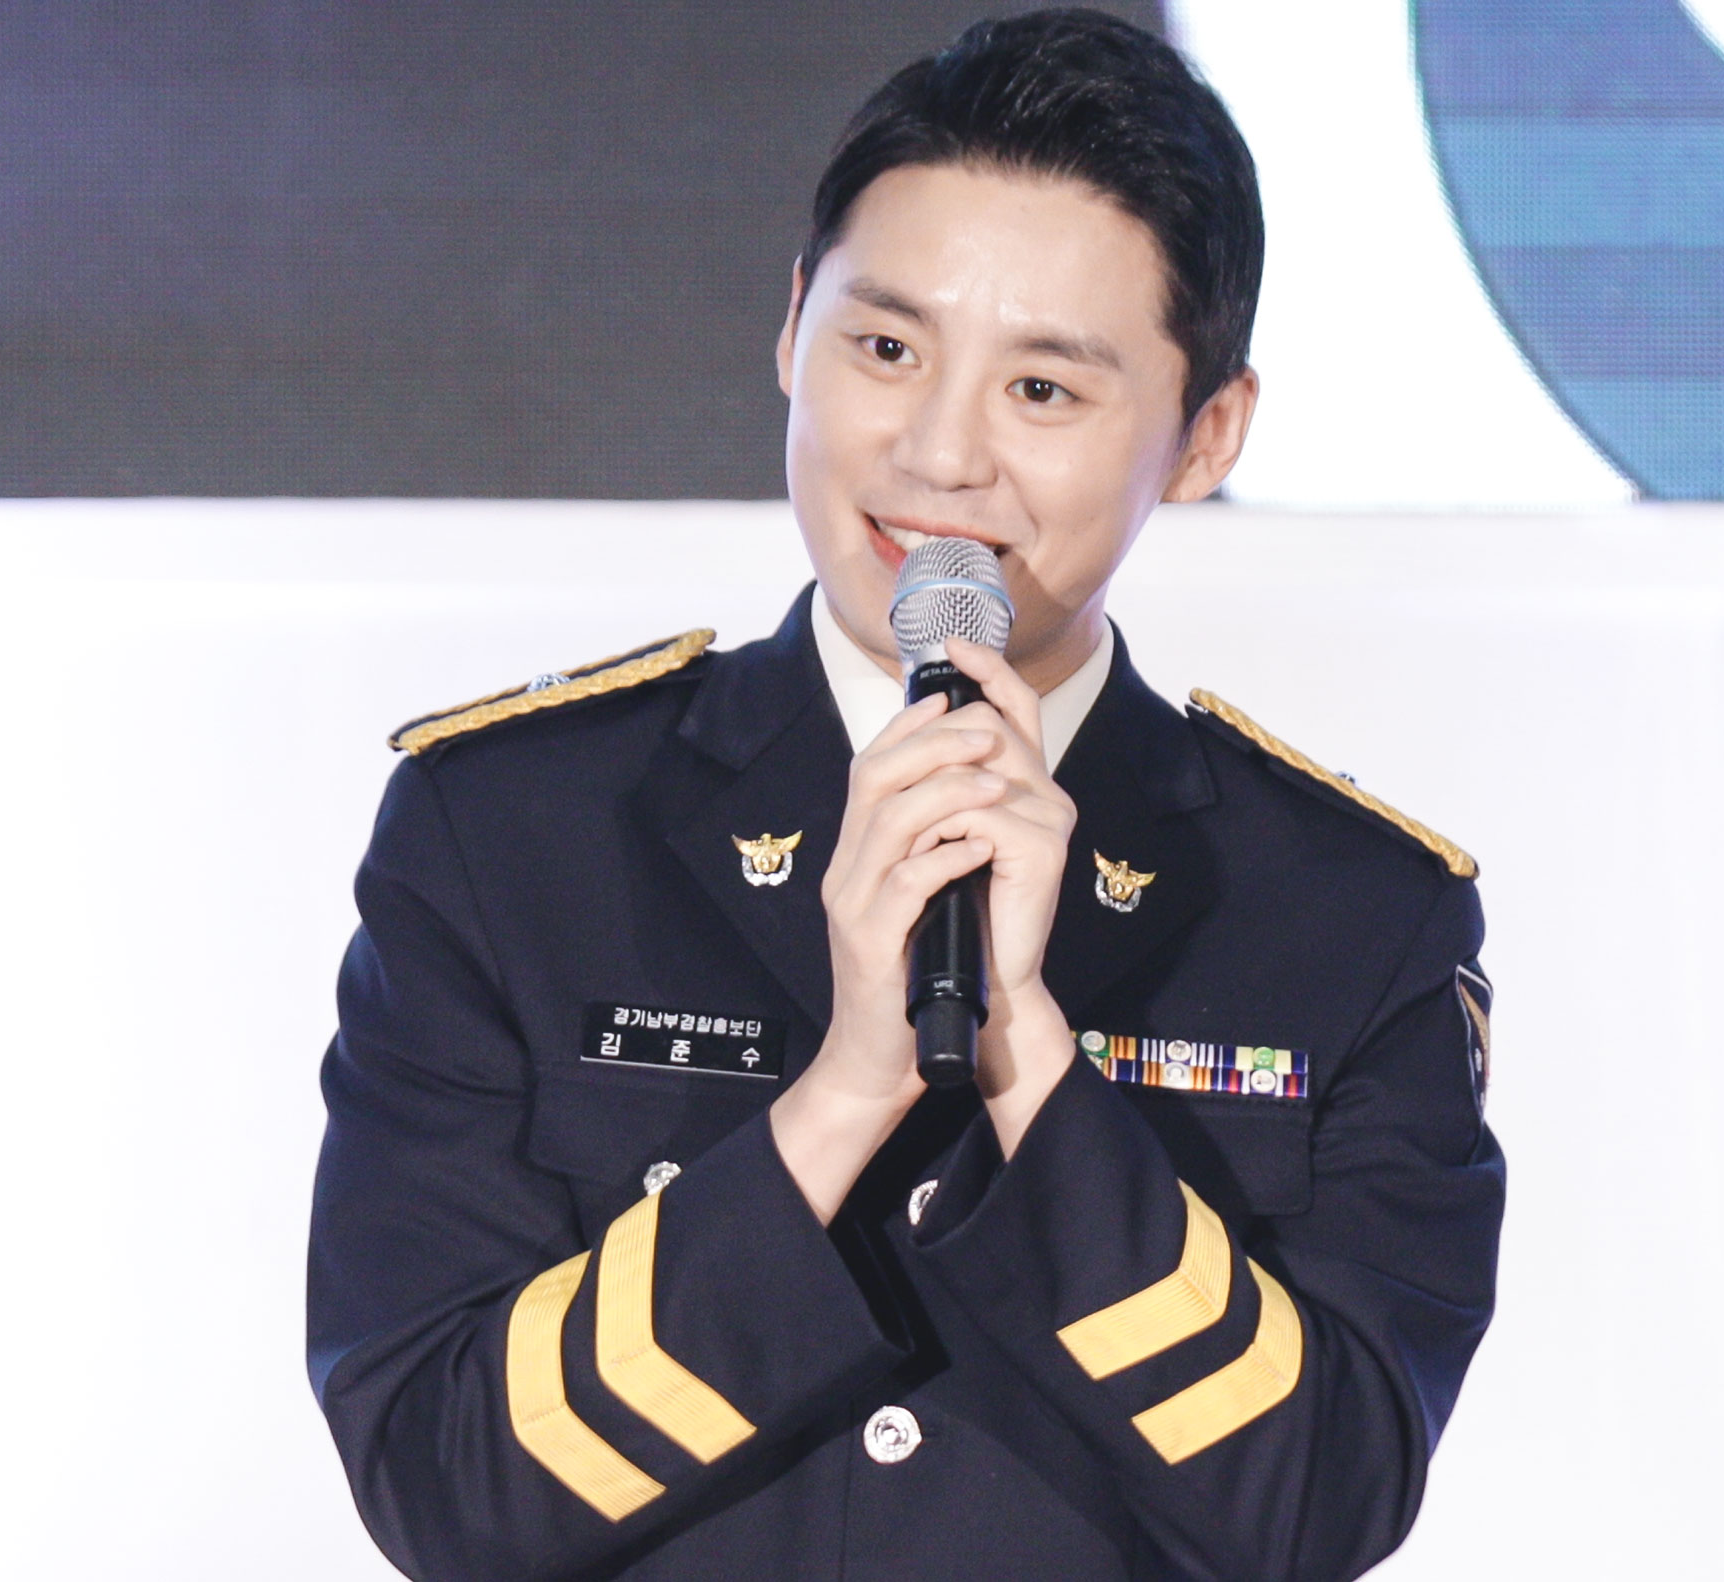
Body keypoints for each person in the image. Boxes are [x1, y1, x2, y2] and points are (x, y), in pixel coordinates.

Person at [307, 11, 1500, 1578]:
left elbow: (1320, 1500)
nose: (940, 455)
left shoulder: (1351, 913)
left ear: (1207, 435)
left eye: (1043, 391)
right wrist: (845, 1092)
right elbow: (442, 1479)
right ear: (790, 327)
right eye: (885, 349)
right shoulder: (511, 830)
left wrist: (1029, 1066)